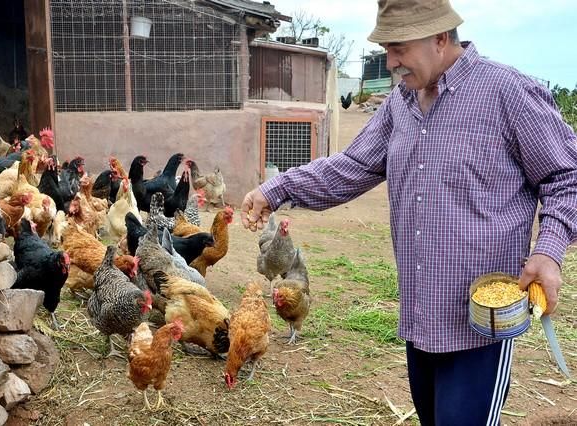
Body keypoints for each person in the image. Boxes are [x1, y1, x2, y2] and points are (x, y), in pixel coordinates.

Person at [240, 0, 577, 424]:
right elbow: (352, 167)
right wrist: (279, 188)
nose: (391, 61)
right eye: (386, 48)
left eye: (399, 48)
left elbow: (567, 177)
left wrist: (548, 251)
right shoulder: (400, 103)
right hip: (420, 320)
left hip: (479, 327)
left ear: (440, 38)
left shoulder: (507, 93)